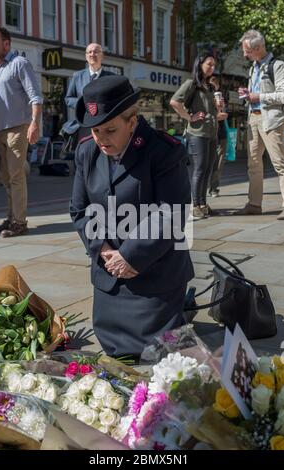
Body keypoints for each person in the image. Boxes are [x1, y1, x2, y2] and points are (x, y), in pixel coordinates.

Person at [70, 75, 194, 358]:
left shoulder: (163, 152)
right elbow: (79, 210)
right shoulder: (86, 151)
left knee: (159, 354)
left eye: (110, 130)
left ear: (133, 121)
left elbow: (171, 211)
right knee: (114, 354)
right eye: (97, 131)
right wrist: (103, 249)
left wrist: (131, 256)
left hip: (155, 275)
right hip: (109, 272)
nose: (101, 139)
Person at [0, 27, 42, 237]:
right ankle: (11, 218)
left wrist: (34, 124)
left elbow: (35, 96)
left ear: (7, 44)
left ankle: (19, 222)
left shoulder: (19, 64)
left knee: (17, 176)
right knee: (6, 177)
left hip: (18, 129)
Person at [237, 30, 284, 220]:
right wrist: (247, 93)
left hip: (272, 120)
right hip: (254, 119)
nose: (244, 55)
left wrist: (258, 96)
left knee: (280, 163)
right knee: (253, 164)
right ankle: (254, 204)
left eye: (247, 51)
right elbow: (254, 94)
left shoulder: (278, 66)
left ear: (258, 48)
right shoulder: (253, 68)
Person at [170, 52, 221, 219]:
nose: (212, 68)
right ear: (200, 64)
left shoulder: (210, 86)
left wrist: (218, 109)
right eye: (209, 64)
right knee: (199, 169)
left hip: (211, 133)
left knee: (208, 169)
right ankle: (195, 206)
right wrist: (189, 117)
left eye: (214, 65)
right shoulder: (191, 83)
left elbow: (210, 110)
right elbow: (174, 101)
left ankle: (203, 204)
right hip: (197, 133)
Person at [64, 43, 115, 141]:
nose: (92, 54)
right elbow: (68, 98)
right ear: (86, 56)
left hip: (104, 125)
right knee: (85, 153)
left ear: (102, 56)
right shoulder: (77, 76)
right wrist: (83, 104)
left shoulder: (110, 77)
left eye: (96, 52)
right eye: (89, 52)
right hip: (83, 124)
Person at [208, 75, 228, 197]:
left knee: (219, 163)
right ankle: (199, 192)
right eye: (211, 82)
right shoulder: (203, 96)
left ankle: (214, 188)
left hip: (221, 133)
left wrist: (222, 108)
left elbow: (226, 113)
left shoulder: (221, 96)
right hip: (207, 133)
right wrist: (215, 116)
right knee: (206, 163)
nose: (213, 85)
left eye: (215, 83)